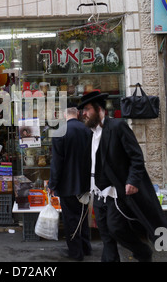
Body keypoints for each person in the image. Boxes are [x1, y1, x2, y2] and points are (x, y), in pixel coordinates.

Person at [78, 90, 167, 262]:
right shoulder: (91, 134)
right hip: (98, 193)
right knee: (106, 234)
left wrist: (133, 180)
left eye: (87, 109)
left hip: (115, 192)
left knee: (116, 228)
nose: (83, 113)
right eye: (83, 110)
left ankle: (142, 251)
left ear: (99, 110)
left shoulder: (117, 126)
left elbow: (136, 156)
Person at [48, 105, 92, 261]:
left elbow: (57, 163)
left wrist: (52, 184)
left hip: (67, 184)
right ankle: (86, 248)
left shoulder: (60, 131)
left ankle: (75, 252)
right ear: (78, 114)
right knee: (83, 216)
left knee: (70, 219)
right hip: (86, 182)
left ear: (64, 116)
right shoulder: (88, 130)